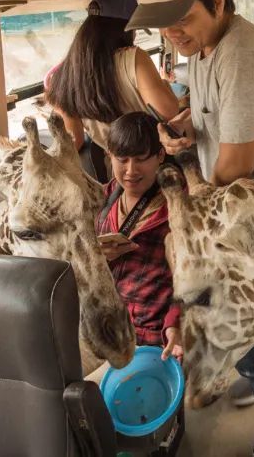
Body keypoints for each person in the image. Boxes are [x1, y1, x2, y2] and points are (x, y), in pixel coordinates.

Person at [127, 0, 254, 457]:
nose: (172, 33)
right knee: (248, 342)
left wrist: (185, 181)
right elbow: (207, 115)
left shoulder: (240, 56)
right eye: (161, 24)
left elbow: (233, 170)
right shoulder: (202, 49)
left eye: (181, 18)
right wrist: (183, 129)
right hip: (231, 221)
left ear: (218, 1)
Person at [45, 0, 180, 166]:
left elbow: (74, 141)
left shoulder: (64, 75)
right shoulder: (134, 57)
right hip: (154, 163)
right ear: (125, 28)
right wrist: (164, 84)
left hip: (117, 168)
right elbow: (168, 111)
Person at [95, 112, 183, 361]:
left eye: (141, 159)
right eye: (122, 159)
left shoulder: (179, 206)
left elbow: (195, 273)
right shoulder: (103, 197)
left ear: (160, 156)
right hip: (110, 328)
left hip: (157, 337)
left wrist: (175, 324)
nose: (131, 170)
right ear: (109, 155)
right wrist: (99, 255)